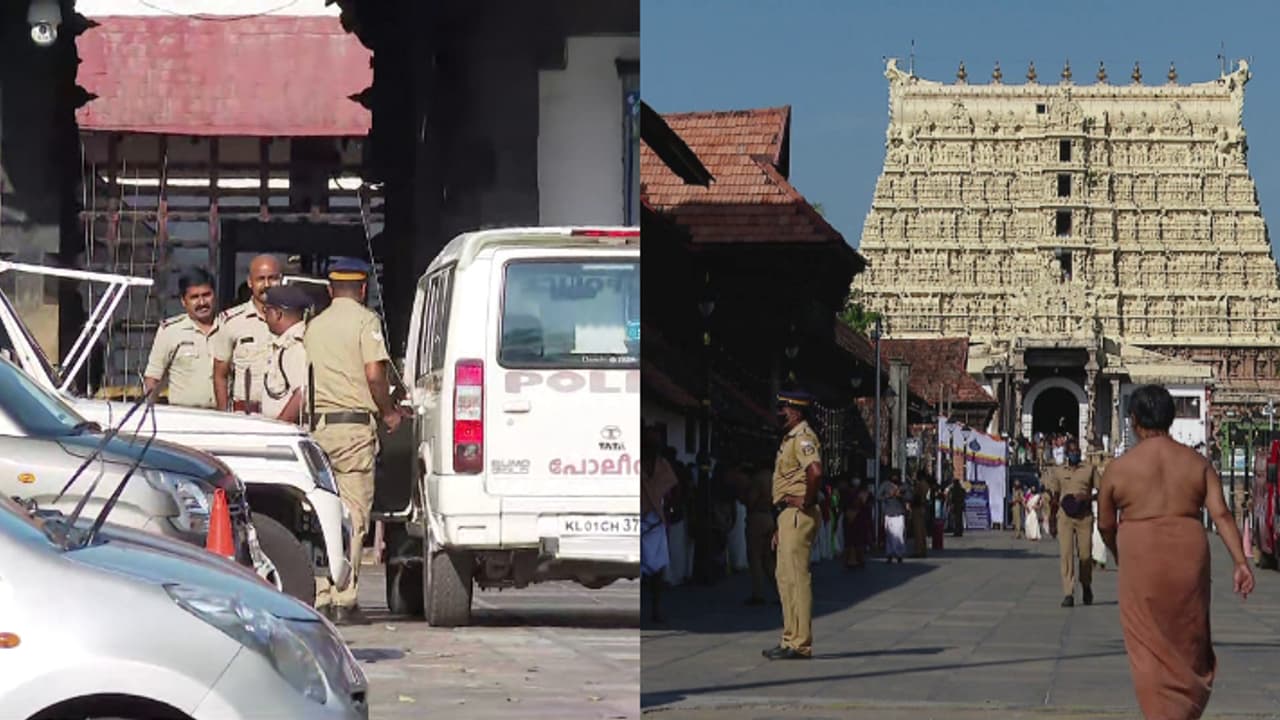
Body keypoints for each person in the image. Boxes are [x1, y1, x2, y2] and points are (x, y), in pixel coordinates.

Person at [1099, 385, 1255, 720]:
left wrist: (1118, 553)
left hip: (1140, 551)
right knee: (1189, 635)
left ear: (1134, 420)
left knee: (1147, 645)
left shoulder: (1118, 469)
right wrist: (1241, 563)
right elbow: (1222, 515)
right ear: (1170, 419)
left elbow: (1105, 523)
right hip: (1188, 551)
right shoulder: (1197, 463)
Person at [305, 257, 407, 625]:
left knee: (320, 514)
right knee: (354, 516)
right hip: (353, 431)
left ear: (331, 290)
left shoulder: (312, 327)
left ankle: (320, 594)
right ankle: (345, 600)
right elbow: (374, 373)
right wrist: (390, 412)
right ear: (363, 289)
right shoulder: (366, 322)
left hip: (318, 431)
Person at [763, 389, 823, 661]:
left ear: (796, 411)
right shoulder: (789, 439)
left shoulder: (802, 439)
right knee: (784, 578)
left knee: (797, 579)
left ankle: (800, 643)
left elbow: (815, 471)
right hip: (788, 514)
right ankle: (789, 638)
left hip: (798, 513)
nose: (780, 414)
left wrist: (807, 502)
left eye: (784, 409)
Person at [213, 254, 282, 413]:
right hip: (246, 415)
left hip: (283, 414)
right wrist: (224, 417)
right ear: (250, 282)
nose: (267, 284)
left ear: (280, 279)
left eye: (272, 278)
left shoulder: (294, 318)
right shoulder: (231, 321)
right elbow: (220, 375)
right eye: (260, 279)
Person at [144, 268, 219, 408]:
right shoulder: (170, 331)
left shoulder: (229, 327)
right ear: (184, 301)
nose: (202, 302)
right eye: (194, 297)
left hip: (225, 418)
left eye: (206, 295)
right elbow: (153, 378)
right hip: (184, 417)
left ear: (215, 295)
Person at [1043, 438, 1097, 607]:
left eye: (1076, 451)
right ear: (1066, 454)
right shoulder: (1058, 472)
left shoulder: (1089, 470)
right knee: (1066, 555)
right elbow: (1053, 498)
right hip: (1065, 517)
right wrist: (1051, 520)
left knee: (1085, 556)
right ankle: (1068, 592)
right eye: (1071, 451)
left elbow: (1102, 491)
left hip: (1084, 516)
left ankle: (1086, 584)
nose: (1074, 454)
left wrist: (1087, 497)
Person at [259, 284, 313, 424]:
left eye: (266, 310)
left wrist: (279, 428)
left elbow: (302, 393)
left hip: (287, 435)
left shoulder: (295, 347)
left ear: (278, 314)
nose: (264, 318)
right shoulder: (285, 343)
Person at [641, 426, 678, 623]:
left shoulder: (663, 466)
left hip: (655, 521)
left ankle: (655, 609)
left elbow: (670, 492)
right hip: (636, 518)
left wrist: (668, 513)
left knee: (657, 570)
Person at [740, 461, 777, 605]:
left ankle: (758, 594)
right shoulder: (774, 478)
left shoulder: (758, 479)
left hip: (756, 518)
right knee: (768, 558)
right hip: (769, 517)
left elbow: (751, 500)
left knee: (755, 557)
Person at [879, 471, 910, 563]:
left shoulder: (903, 486)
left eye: (897, 476)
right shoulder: (885, 485)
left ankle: (899, 554)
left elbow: (909, 497)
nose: (895, 478)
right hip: (888, 513)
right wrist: (889, 495)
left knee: (899, 535)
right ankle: (889, 554)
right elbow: (878, 496)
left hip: (899, 513)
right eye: (893, 476)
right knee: (889, 535)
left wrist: (900, 495)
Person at [844, 479, 872, 569]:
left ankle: (852, 560)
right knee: (856, 540)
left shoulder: (848, 493)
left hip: (854, 519)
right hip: (858, 519)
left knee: (852, 540)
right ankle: (856, 560)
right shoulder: (863, 494)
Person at [910, 471, 930, 558]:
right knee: (922, 530)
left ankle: (918, 551)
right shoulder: (926, 484)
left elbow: (915, 496)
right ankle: (923, 550)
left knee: (917, 530)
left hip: (917, 508)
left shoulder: (919, 485)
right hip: (923, 508)